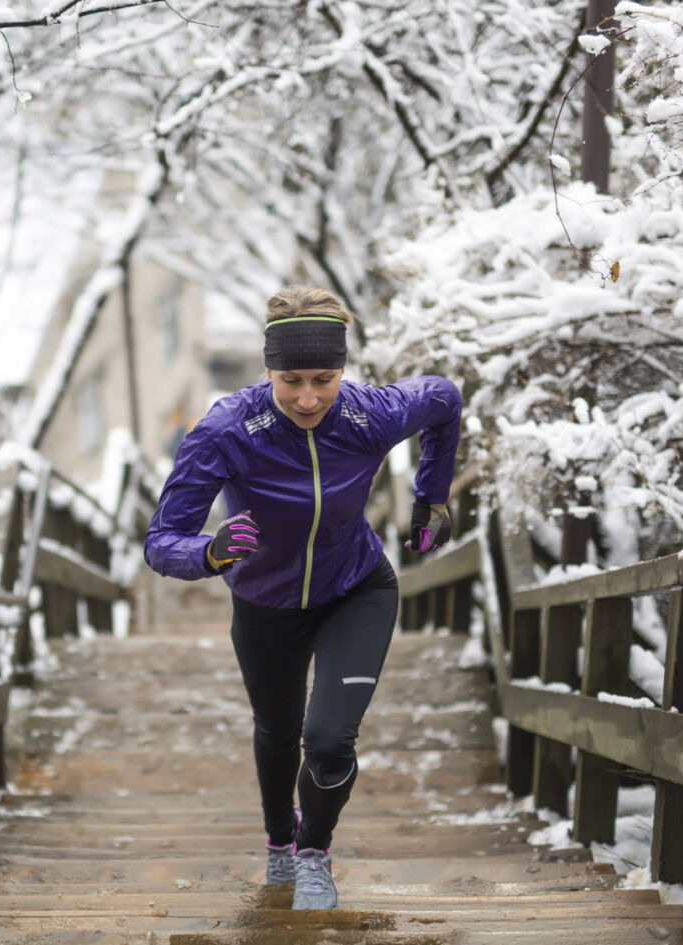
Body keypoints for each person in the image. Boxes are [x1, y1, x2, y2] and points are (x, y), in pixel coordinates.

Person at [142, 285, 461, 911]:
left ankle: (314, 851)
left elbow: (444, 399)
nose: (308, 398)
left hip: (356, 588)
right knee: (278, 730)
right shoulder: (227, 430)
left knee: (329, 737)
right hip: (266, 602)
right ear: (269, 370)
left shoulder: (371, 413)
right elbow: (160, 541)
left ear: (344, 370)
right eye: (291, 380)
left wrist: (432, 497)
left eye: (324, 379)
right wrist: (208, 553)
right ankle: (279, 839)